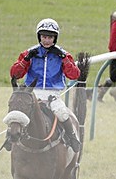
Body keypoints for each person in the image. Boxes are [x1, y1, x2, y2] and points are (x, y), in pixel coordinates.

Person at [7, 18, 82, 152]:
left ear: (55, 38)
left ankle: (72, 138)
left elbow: (75, 75)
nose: (47, 40)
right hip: (31, 92)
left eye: (50, 37)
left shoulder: (63, 55)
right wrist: (26, 60)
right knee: (17, 110)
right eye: (44, 37)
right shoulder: (28, 53)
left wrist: (64, 59)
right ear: (39, 37)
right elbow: (15, 74)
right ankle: (9, 137)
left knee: (62, 113)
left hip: (53, 94)